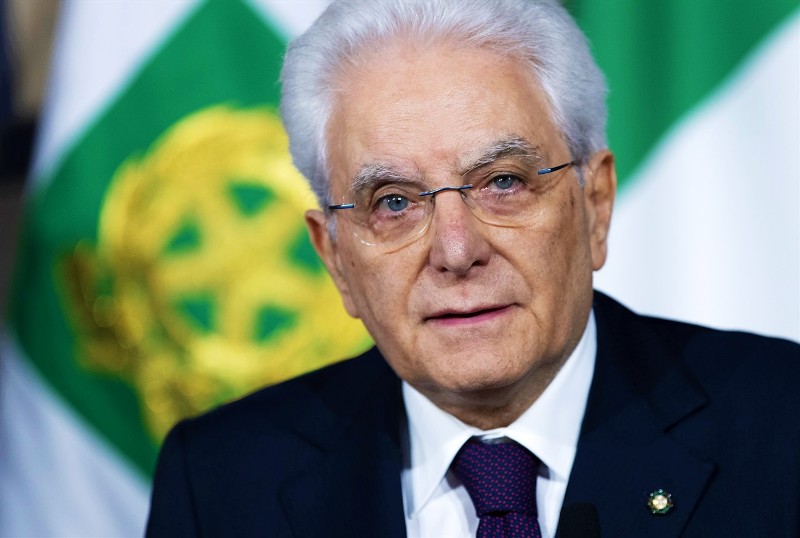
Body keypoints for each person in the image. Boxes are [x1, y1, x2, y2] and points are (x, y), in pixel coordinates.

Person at [146, 0, 800, 536]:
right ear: (336, 257)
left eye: (503, 182)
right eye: (394, 202)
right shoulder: (221, 484)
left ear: (595, 206)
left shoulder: (782, 427)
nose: (456, 252)